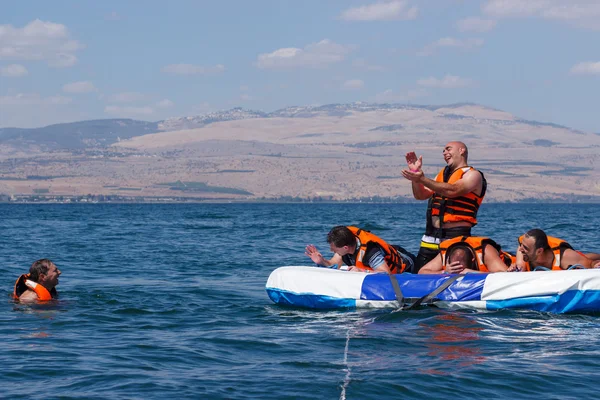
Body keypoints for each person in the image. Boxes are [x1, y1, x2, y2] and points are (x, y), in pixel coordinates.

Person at [401, 141, 486, 272]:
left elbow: (453, 190)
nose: (444, 153)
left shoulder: (473, 175)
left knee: (453, 276)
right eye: (443, 151)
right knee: (420, 275)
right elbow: (420, 195)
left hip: (455, 239)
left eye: (448, 149)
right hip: (430, 238)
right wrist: (415, 174)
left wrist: (422, 179)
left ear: (461, 150)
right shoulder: (441, 176)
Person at [305, 225, 415, 274]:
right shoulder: (345, 246)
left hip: (407, 264)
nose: (332, 251)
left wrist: (361, 271)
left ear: (345, 248)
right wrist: (321, 261)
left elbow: (386, 273)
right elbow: (334, 264)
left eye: (334, 249)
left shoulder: (370, 252)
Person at [510, 229, 600, 271]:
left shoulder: (564, 257)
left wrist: (595, 264)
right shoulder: (522, 251)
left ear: (539, 251)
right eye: (521, 245)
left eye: (525, 248)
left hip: (572, 256)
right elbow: (519, 267)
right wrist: (514, 268)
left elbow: (591, 264)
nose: (521, 249)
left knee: (585, 257)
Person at [419, 236, 514, 274]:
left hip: (510, 262)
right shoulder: (445, 255)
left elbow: (504, 274)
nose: (458, 272)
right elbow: (422, 272)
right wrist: (444, 272)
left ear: (473, 260)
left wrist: (472, 273)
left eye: (461, 269)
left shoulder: (485, 251)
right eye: (455, 269)